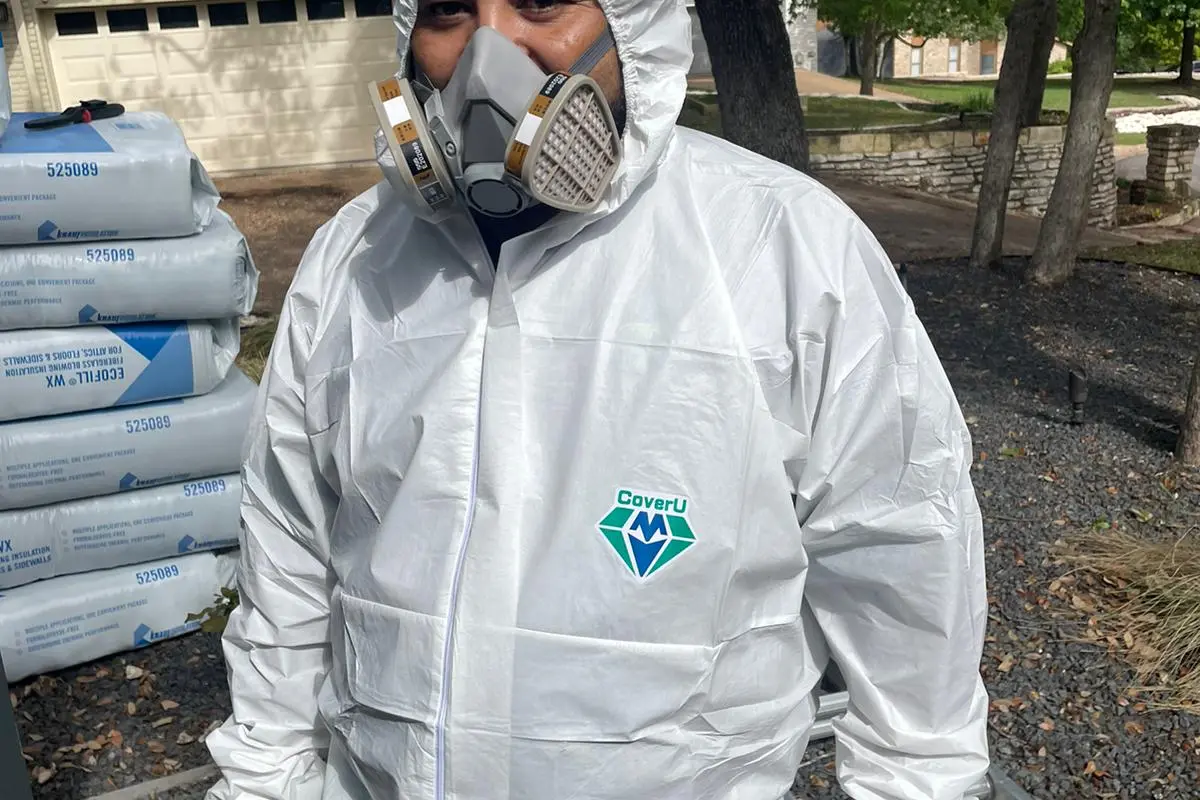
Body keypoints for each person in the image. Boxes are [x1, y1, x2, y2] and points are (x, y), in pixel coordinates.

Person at [203, 1, 991, 798]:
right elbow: (289, 559)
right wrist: (264, 777)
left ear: (634, 28)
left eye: (542, 4)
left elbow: (903, 571)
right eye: (448, 13)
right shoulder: (358, 256)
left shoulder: (783, 250)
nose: (490, 52)